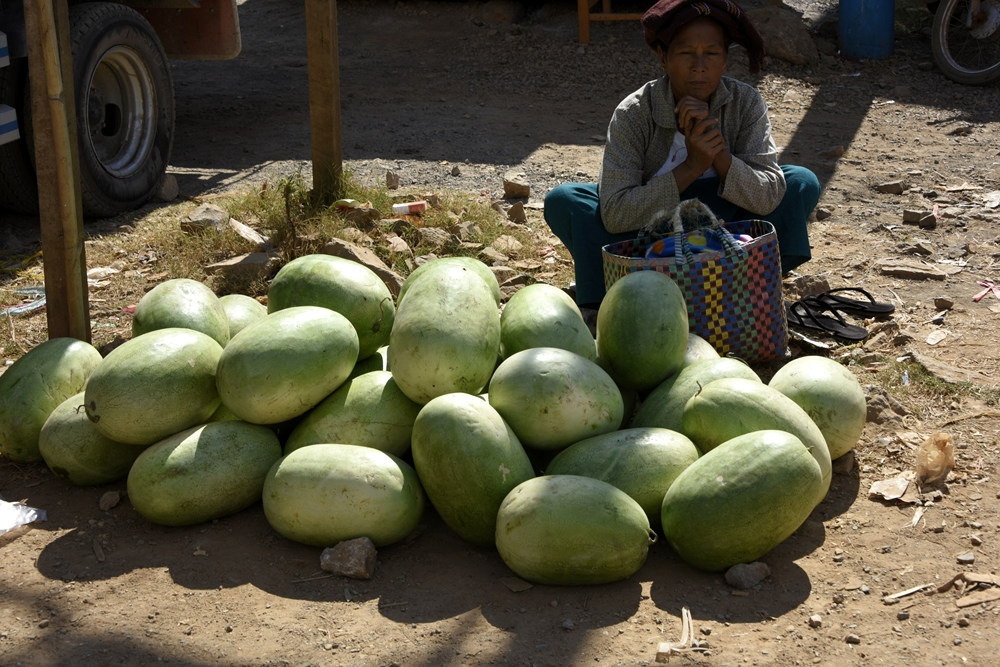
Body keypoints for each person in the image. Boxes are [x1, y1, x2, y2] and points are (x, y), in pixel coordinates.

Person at [544, 0, 820, 314]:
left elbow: (769, 193)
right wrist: (691, 167)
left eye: (711, 54)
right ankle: (624, 294)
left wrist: (719, 156)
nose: (699, 65)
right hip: (652, 231)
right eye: (686, 53)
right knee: (565, 199)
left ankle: (744, 276)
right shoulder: (634, 113)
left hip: (727, 226)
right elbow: (616, 213)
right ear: (663, 58)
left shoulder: (745, 103)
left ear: (725, 60)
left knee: (799, 182)